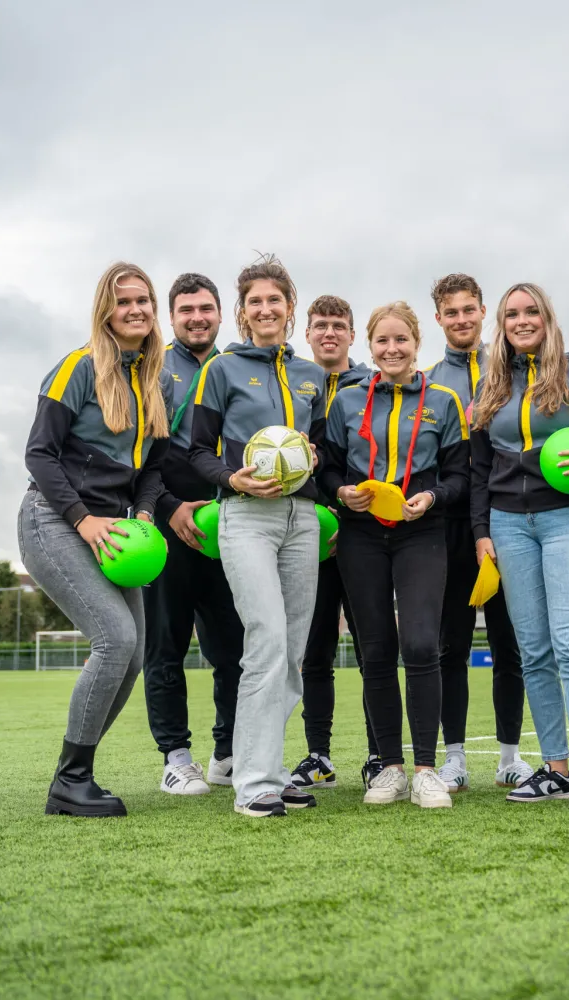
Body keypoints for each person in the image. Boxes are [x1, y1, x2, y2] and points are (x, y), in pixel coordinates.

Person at [21, 262, 173, 817]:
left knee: (131, 654)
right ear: (105, 311)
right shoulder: (78, 367)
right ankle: (70, 782)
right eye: (124, 301)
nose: (136, 309)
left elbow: (153, 468)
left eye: (144, 301)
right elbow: (39, 453)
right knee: (114, 638)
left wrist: (148, 513)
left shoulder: (156, 382)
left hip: (114, 527)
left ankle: (76, 773)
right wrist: (83, 520)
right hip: (56, 519)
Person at [470, 282, 569, 813]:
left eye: (530, 311)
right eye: (512, 313)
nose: (521, 320)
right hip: (507, 524)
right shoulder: (489, 385)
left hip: (568, 519)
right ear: (502, 323)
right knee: (532, 649)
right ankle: (555, 769)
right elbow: (478, 469)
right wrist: (481, 532)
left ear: (547, 317)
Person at [189, 254, 325, 819]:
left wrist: (313, 457)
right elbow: (194, 450)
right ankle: (253, 786)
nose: (265, 309)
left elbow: (321, 450)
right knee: (265, 639)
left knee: (291, 652)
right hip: (244, 516)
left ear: (290, 308)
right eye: (254, 302)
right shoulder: (219, 370)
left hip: (303, 520)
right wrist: (230, 477)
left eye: (275, 300)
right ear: (243, 313)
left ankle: (270, 770)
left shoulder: (313, 375)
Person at [322, 302, 470, 808]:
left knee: (423, 644)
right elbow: (327, 471)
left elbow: (459, 476)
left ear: (416, 342)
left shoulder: (444, 401)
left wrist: (432, 498)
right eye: (382, 341)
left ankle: (427, 769)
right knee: (376, 651)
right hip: (361, 535)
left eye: (401, 340)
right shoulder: (345, 401)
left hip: (421, 532)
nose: (392, 349)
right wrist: (342, 494)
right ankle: (390, 768)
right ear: (370, 346)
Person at [143, 273, 245, 796]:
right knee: (166, 646)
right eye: (186, 310)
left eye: (206, 308)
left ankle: (226, 753)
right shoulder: (153, 368)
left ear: (221, 313)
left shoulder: (234, 368)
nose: (197, 317)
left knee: (234, 649)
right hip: (166, 523)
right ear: (172, 317)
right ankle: (175, 757)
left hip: (228, 524)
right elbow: (139, 455)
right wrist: (169, 506)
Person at [426, 273, 529, 792]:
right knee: (452, 645)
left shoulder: (510, 368)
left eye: (470, 310)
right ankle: (455, 758)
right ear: (438, 318)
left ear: (483, 311)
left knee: (512, 643)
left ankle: (511, 756)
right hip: (448, 525)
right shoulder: (428, 382)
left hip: (505, 517)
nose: (462, 319)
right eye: (452, 312)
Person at [289, 294, 382, 790]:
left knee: (371, 648)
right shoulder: (292, 382)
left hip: (362, 531)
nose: (329, 333)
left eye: (339, 326)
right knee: (315, 649)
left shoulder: (371, 385)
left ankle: (377, 755)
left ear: (352, 335)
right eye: (320, 325)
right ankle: (317, 755)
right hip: (307, 531)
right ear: (308, 333)